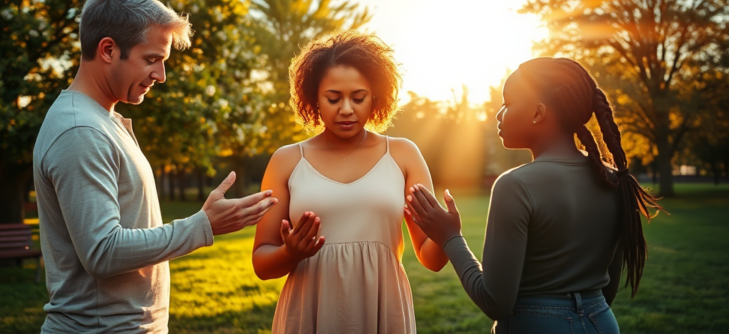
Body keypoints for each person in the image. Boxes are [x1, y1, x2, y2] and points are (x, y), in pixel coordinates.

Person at [33, 0, 277, 333]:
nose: (160, 76)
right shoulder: (80, 131)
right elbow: (102, 251)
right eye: (151, 60)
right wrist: (202, 225)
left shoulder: (101, 121)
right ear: (108, 50)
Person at [405, 57, 663, 334]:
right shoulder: (614, 180)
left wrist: (450, 237)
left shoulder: (515, 185)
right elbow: (606, 290)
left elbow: (495, 302)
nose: (498, 114)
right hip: (602, 323)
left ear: (538, 113)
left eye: (508, 103)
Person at [252, 31, 449, 333]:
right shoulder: (287, 160)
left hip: (384, 311)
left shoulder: (403, 154)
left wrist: (448, 235)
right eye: (333, 98)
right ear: (314, 99)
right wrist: (290, 253)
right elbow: (262, 263)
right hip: (310, 311)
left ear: (375, 97)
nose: (346, 109)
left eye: (358, 98)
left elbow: (430, 258)